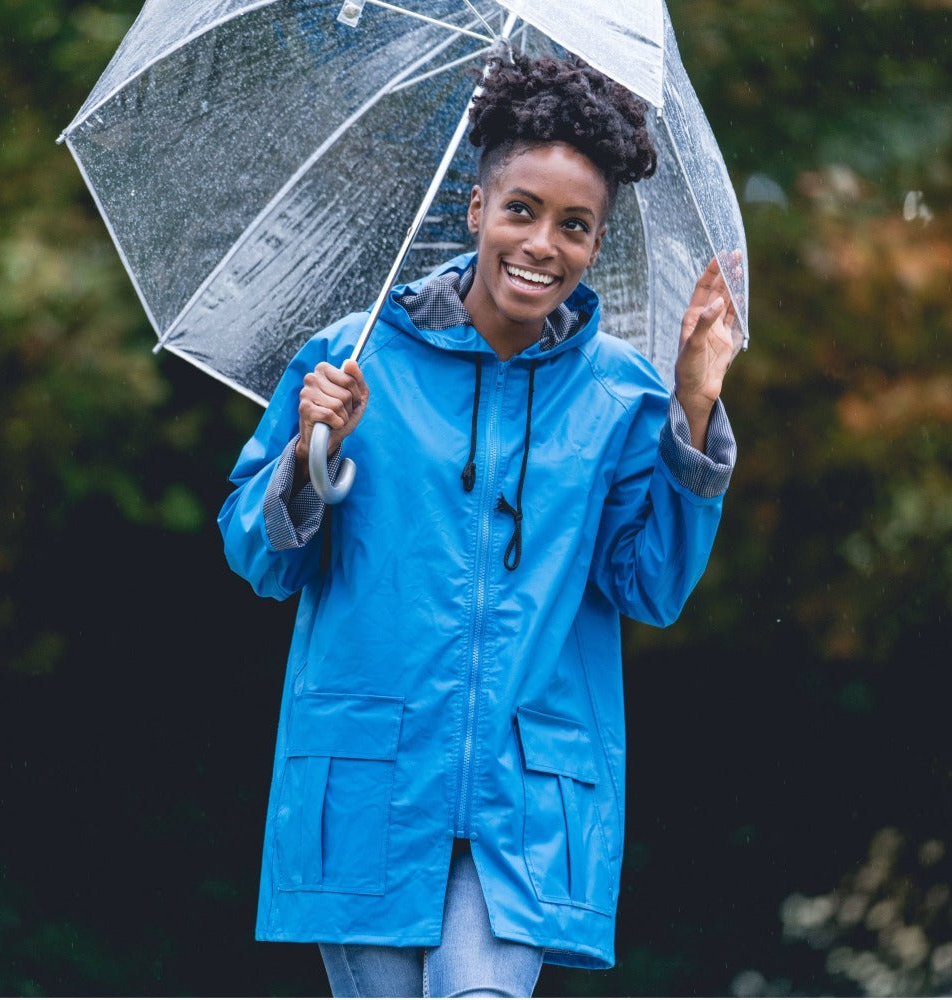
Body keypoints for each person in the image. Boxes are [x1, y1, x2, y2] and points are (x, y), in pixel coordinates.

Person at [219, 50, 740, 999]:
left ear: (597, 243)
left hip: (528, 802)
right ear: (476, 210)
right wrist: (310, 451)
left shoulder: (624, 396)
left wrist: (694, 408)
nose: (543, 243)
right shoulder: (352, 356)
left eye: (575, 226)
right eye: (522, 210)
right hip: (370, 781)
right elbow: (258, 558)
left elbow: (651, 586)